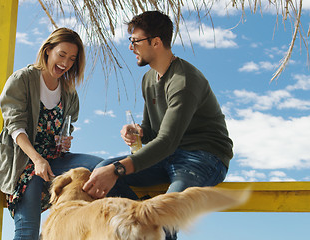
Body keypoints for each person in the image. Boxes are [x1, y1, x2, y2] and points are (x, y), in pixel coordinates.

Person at [82, 11, 233, 240]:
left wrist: (118, 169)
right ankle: (142, 219)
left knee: (163, 217)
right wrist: (139, 132)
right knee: (101, 169)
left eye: (135, 41)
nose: (131, 47)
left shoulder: (184, 81)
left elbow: (167, 141)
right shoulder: (149, 79)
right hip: (168, 155)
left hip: (204, 157)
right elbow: (153, 132)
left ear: (156, 42)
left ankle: (150, 222)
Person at [0, 28, 103, 240]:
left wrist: (64, 140)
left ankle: (139, 211)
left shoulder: (68, 92)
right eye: (62, 54)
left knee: (102, 167)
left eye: (72, 58)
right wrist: (37, 160)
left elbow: (67, 125)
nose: (65, 63)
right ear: (48, 50)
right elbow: (15, 126)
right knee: (27, 233)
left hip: (55, 160)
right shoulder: (23, 79)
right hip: (25, 164)